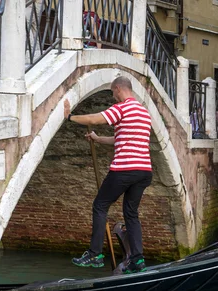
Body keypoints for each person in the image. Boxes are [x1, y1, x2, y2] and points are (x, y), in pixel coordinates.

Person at [64, 77, 153, 273]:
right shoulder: (143, 113)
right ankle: (137, 260)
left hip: (125, 169)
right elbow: (120, 138)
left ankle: (95, 254)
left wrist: (70, 117)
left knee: (100, 205)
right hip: (144, 171)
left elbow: (96, 118)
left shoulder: (122, 108)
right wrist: (97, 139)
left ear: (118, 89)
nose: (113, 97)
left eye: (113, 93)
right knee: (131, 213)